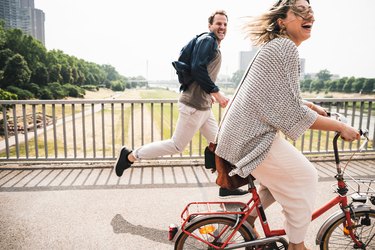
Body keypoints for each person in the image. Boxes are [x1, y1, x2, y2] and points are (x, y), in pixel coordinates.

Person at [214, 1, 360, 249]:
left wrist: (310, 106)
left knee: (280, 180)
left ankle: (245, 222)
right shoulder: (285, 48)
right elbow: (289, 111)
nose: (309, 14)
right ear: (282, 20)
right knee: (306, 176)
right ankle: (296, 244)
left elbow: (277, 96)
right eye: (300, 10)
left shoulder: (275, 46)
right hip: (251, 138)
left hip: (240, 135)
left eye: (310, 10)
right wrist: (339, 127)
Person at [114, 10, 248, 199]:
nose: (222, 27)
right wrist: (215, 92)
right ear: (210, 25)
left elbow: (203, 74)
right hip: (193, 106)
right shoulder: (208, 41)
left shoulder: (213, 44)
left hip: (203, 107)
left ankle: (226, 185)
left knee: (219, 143)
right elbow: (198, 68)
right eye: (218, 23)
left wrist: (211, 94)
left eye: (225, 24)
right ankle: (130, 156)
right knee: (176, 146)